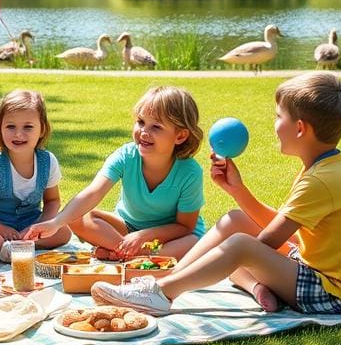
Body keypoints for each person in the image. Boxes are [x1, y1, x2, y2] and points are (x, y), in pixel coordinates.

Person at [91, 72, 341, 316]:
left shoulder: (320, 181)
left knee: (240, 245)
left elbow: (266, 242)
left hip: (335, 294)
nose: (274, 123)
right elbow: (282, 228)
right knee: (233, 221)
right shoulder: (327, 167)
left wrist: (230, 256)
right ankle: (172, 280)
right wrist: (236, 189)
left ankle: (162, 293)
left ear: (300, 128)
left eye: (278, 116)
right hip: (324, 273)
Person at [25, 86, 206, 261]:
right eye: (141, 122)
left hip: (167, 237)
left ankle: (128, 253)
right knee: (78, 218)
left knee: (193, 243)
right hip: (126, 229)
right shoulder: (126, 156)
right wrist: (56, 223)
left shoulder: (190, 172)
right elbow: (93, 192)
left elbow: (185, 226)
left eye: (156, 127)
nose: (144, 132)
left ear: (180, 136)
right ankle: (137, 255)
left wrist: (145, 235)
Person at [0, 89, 70, 261]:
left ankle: (23, 245)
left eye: (28, 127)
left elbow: (52, 201)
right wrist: (1, 228)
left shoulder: (48, 162)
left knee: (64, 232)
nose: (18, 134)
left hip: (30, 222)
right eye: (11, 126)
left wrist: (38, 227)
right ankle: (8, 248)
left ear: (42, 129)